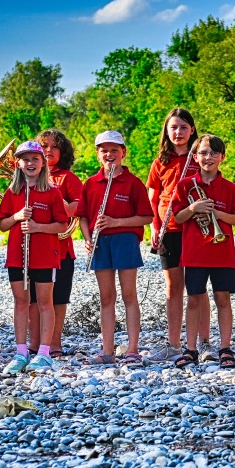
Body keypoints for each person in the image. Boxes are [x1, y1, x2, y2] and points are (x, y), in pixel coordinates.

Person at [77, 130, 153, 364]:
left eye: (114, 150)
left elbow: (146, 217)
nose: (109, 154)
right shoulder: (91, 183)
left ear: (123, 153)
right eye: (104, 150)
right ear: (98, 154)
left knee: (129, 295)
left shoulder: (133, 182)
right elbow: (82, 217)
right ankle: (107, 351)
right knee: (106, 297)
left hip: (125, 241)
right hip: (101, 243)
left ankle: (132, 349)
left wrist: (116, 222)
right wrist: (88, 238)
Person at [0, 142, 70, 375]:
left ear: (42, 163)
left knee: (45, 303)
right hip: (17, 255)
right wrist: (17, 216)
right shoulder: (12, 192)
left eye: (35, 159)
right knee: (21, 302)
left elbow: (62, 225)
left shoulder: (52, 191)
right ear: (18, 163)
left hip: (44, 255)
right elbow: (2, 225)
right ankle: (21, 352)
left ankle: (44, 353)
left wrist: (38, 226)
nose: (30, 163)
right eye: (25, 159)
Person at [172, 135, 235, 369]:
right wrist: (193, 208)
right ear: (195, 157)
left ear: (222, 157)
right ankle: (191, 349)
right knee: (194, 300)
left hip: (222, 253)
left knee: (223, 299)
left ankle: (225, 347)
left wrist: (217, 215)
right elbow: (177, 217)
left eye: (214, 153)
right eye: (203, 153)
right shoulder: (185, 186)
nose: (209, 157)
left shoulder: (230, 188)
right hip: (194, 253)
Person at [147, 108, 199, 361]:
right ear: (167, 132)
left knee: (197, 287)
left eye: (183, 127)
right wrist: (154, 226)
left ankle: (204, 342)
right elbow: (153, 198)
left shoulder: (200, 158)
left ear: (192, 130)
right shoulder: (160, 162)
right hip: (169, 230)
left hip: (196, 229)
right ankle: (173, 342)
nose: (178, 132)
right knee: (173, 287)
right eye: (173, 127)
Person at [33, 129, 82, 358]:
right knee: (34, 298)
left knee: (59, 298)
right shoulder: (28, 176)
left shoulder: (67, 178)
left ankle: (54, 342)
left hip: (61, 248)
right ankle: (34, 343)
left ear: (62, 151)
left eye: (54, 146)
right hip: (32, 247)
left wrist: (53, 203)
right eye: (44, 147)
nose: (49, 151)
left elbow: (79, 208)